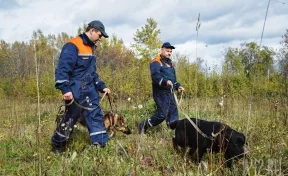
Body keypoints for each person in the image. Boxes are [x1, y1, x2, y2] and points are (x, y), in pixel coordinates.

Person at [51, 20, 110, 153]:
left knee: (96, 117)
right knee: (69, 120)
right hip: (75, 92)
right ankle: (57, 146)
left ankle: (102, 147)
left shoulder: (91, 48)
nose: (100, 39)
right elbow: (62, 69)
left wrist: (101, 86)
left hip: (90, 91)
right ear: (92, 30)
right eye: (100, 35)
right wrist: (65, 89)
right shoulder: (73, 45)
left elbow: (91, 73)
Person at [138, 42, 184, 134]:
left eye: (171, 51)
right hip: (160, 93)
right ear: (162, 50)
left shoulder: (170, 64)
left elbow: (173, 80)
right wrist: (165, 82)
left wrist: (178, 86)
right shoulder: (156, 62)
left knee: (173, 113)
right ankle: (144, 125)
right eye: (167, 51)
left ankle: (172, 133)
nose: (169, 53)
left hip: (170, 93)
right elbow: (155, 76)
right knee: (162, 114)